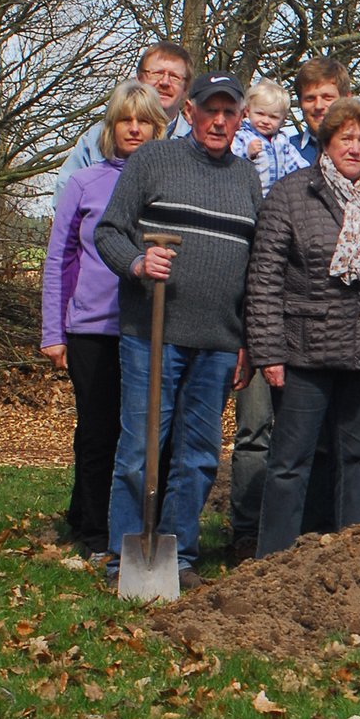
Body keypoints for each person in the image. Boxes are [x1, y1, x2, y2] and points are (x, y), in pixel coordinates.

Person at [94, 71, 263, 587]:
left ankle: (179, 555)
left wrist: (247, 343)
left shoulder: (246, 178)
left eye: (228, 112)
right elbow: (109, 231)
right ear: (188, 112)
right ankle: (126, 556)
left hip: (217, 341)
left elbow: (256, 264)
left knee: (200, 456)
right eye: (209, 110)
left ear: (240, 118)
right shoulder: (153, 160)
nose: (218, 120)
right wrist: (138, 264)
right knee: (140, 448)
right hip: (152, 333)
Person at [246, 98, 360, 557]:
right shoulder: (293, 193)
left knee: (358, 463)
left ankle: (346, 563)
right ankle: (274, 561)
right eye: (346, 138)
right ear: (327, 142)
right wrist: (269, 351)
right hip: (304, 351)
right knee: (291, 462)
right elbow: (264, 277)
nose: (355, 148)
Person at [42, 81, 167, 555]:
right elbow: (58, 260)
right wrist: (54, 332)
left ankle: (134, 527)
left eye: (144, 122)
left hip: (152, 329)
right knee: (97, 430)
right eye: (125, 120)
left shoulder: (166, 186)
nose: (134, 129)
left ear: (159, 129)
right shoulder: (85, 183)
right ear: (111, 127)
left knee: (142, 437)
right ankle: (93, 532)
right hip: (93, 329)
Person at [59, 42, 191, 181]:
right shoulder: (96, 138)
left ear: (186, 88)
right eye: (157, 73)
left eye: (175, 77)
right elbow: (66, 193)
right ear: (138, 79)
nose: (165, 82)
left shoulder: (196, 144)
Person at [235, 80, 307, 194]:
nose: (265, 121)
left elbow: (297, 165)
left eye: (273, 117)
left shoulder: (282, 140)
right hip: (249, 196)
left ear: (282, 120)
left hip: (277, 198)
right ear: (247, 112)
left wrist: (309, 176)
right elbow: (229, 161)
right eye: (260, 114)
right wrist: (247, 153)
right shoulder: (242, 135)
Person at [288, 56, 351, 166]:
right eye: (310, 98)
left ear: (346, 100)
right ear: (300, 103)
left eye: (327, 97)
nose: (318, 106)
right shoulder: (283, 152)